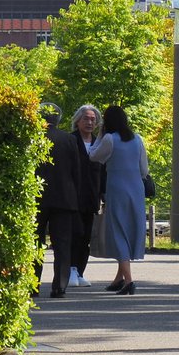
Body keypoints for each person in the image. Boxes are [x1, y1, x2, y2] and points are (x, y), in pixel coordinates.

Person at [88, 105, 149, 295]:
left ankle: (129, 280)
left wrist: (99, 135)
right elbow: (144, 170)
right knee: (130, 228)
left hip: (117, 189)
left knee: (118, 230)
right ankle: (119, 278)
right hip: (136, 189)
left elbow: (93, 156)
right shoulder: (137, 139)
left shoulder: (109, 139)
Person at [32, 103, 81, 299]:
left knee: (36, 241)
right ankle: (59, 286)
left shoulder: (34, 138)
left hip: (38, 196)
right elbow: (76, 171)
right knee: (62, 243)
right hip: (64, 197)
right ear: (58, 120)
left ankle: (32, 285)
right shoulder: (69, 139)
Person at [67, 104, 103, 287]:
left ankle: (80, 271)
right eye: (86, 119)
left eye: (93, 119)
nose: (90, 122)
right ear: (77, 121)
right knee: (75, 233)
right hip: (72, 198)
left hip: (91, 199)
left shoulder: (99, 143)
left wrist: (103, 194)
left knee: (86, 236)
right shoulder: (70, 141)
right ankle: (71, 268)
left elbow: (103, 172)